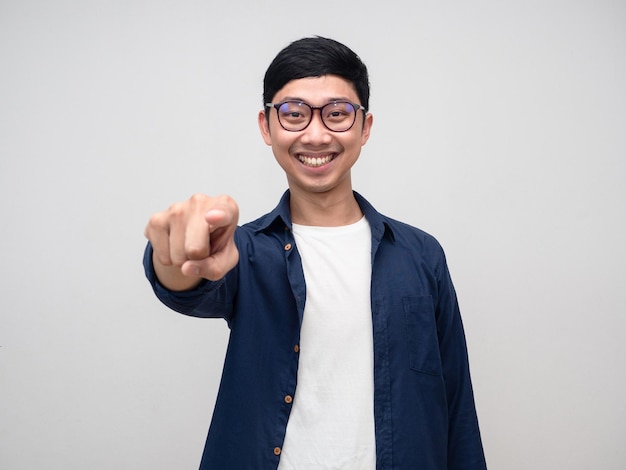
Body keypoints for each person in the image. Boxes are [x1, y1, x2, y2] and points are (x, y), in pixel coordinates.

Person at [143, 36, 487, 470]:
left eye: (338, 114)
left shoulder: (420, 255)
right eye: (294, 114)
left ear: (365, 127)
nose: (317, 134)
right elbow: (187, 285)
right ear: (266, 127)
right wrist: (174, 259)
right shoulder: (243, 251)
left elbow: (456, 403)